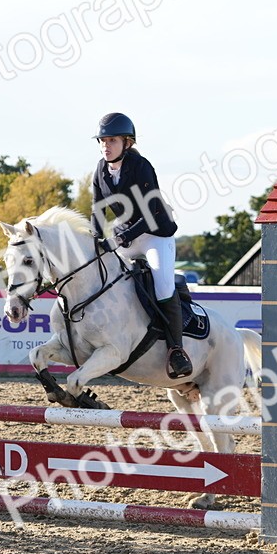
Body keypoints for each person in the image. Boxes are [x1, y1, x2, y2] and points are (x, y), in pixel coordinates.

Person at [89, 112, 191, 379]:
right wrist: (95, 242)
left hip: (156, 235)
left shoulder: (141, 166)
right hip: (125, 236)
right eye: (102, 140)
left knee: (163, 285)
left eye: (111, 140)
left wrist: (120, 239)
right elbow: (97, 212)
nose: (105, 146)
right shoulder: (100, 170)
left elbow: (151, 213)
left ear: (127, 142)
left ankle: (176, 350)